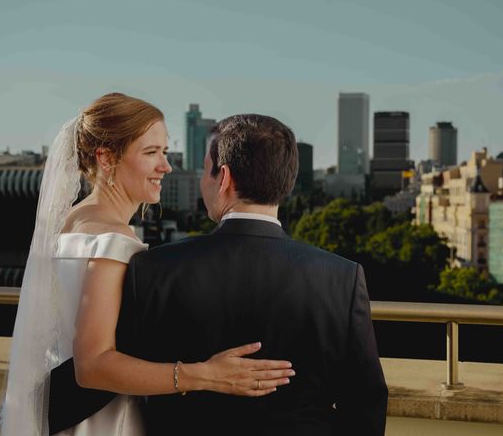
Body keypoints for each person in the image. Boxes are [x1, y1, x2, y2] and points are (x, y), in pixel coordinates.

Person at [0, 94, 295, 436]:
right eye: (151, 152)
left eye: (165, 152)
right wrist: (206, 375)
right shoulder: (112, 241)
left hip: (56, 412)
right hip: (101, 421)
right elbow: (93, 366)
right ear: (107, 158)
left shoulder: (68, 223)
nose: (165, 166)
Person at [116, 113, 389, 435]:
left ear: (225, 178)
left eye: (206, 170)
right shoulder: (342, 278)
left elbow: (120, 376)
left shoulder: (153, 269)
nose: (205, 181)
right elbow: (365, 403)